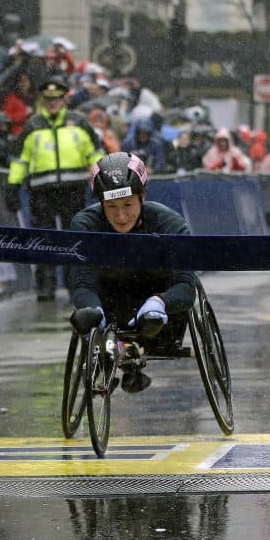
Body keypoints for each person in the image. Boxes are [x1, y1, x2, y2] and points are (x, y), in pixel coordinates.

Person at [68, 152, 197, 393]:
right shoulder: (84, 225)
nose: (121, 216)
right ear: (100, 203)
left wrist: (160, 302)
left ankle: (132, 345)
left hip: (160, 308)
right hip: (109, 303)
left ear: (142, 197)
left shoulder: (169, 224)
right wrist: (93, 311)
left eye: (128, 204)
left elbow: (187, 286)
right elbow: (82, 283)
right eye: (111, 207)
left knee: (156, 313)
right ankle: (119, 348)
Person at [5, 78, 103, 301]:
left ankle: (75, 286)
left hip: (73, 191)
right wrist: (12, 185)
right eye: (48, 99)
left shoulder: (79, 122)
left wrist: (101, 179)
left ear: (64, 99)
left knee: (74, 240)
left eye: (56, 99)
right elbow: (21, 160)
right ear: (43, 100)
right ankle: (45, 287)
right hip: (41, 193)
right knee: (44, 241)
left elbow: (95, 153)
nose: (52, 103)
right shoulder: (32, 125)